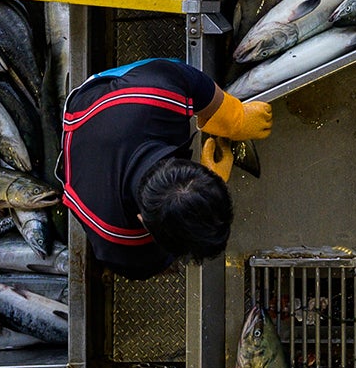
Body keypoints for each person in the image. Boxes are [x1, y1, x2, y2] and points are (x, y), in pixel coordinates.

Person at [61, 58, 272, 279]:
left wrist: (234, 118)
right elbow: (149, 266)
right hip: (80, 153)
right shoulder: (118, 243)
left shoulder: (159, 87)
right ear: (142, 221)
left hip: (100, 104)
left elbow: (198, 86)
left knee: (171, 67)